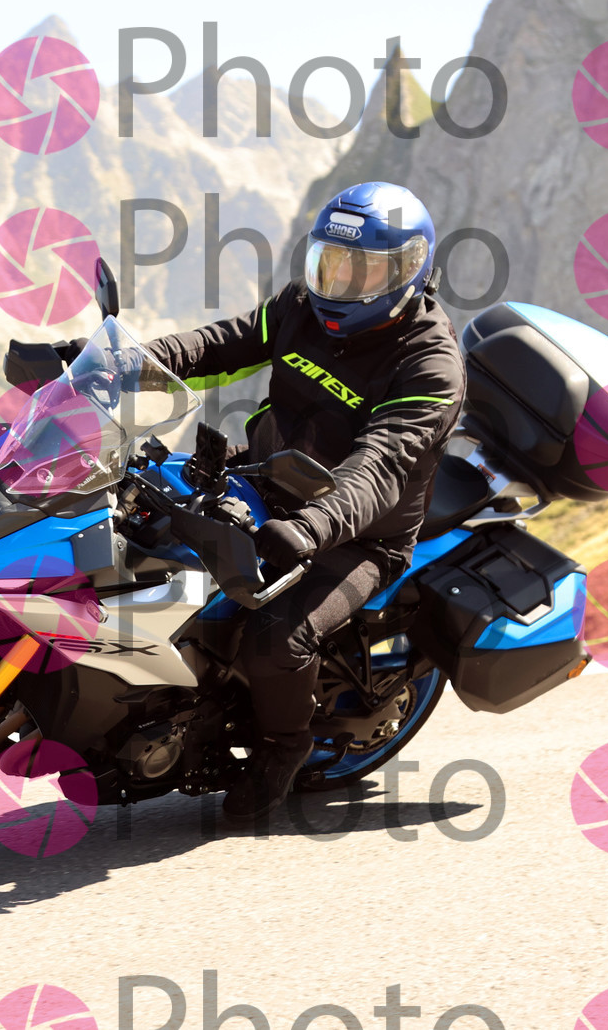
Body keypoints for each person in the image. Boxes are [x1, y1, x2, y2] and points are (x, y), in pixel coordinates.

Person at [141, 181, 467, 823]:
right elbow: (220, 345)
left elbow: (378, 468)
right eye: (331, 262)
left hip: (359, 533)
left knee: (276, 638)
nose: (340, 282)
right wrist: (125, 362)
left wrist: (313, 525)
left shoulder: (430, 367)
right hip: (263, 480)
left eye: (362, 270)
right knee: (142, 539)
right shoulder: (301, 306)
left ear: (408, 271)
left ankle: (283, 751)